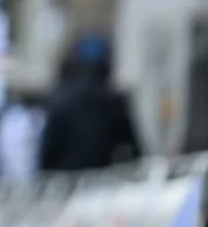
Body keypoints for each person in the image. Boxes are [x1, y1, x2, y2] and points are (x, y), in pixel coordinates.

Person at [39, 35, 142, 172]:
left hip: (65, 181)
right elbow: (133, 149)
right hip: (101, 182)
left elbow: (48, 150)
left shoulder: (61, 98)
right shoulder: (114, 102)